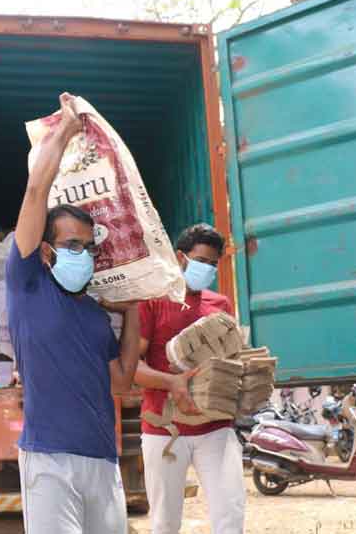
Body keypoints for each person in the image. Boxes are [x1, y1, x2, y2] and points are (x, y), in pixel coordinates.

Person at [7, 92, 141, 534]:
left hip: (103, 460)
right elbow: (35, 191)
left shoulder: (96, 316)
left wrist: (132, 311)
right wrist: (64, 130)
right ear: (46, 251)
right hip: (48, 459)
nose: (81, 254)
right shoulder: (28, 286)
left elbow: (121, 382)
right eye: (71, 246)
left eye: (87, 246)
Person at [134, 223, 245, 534]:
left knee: (230, 515)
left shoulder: (219, 305)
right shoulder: (153, 300)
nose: (208, 269)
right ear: (180, 257)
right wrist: (171, 382)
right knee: (165, 523)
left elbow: (232, 360)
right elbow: (133, 368)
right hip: (163, 429)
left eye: (213, 263)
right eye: (202, 261)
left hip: (216, 427)